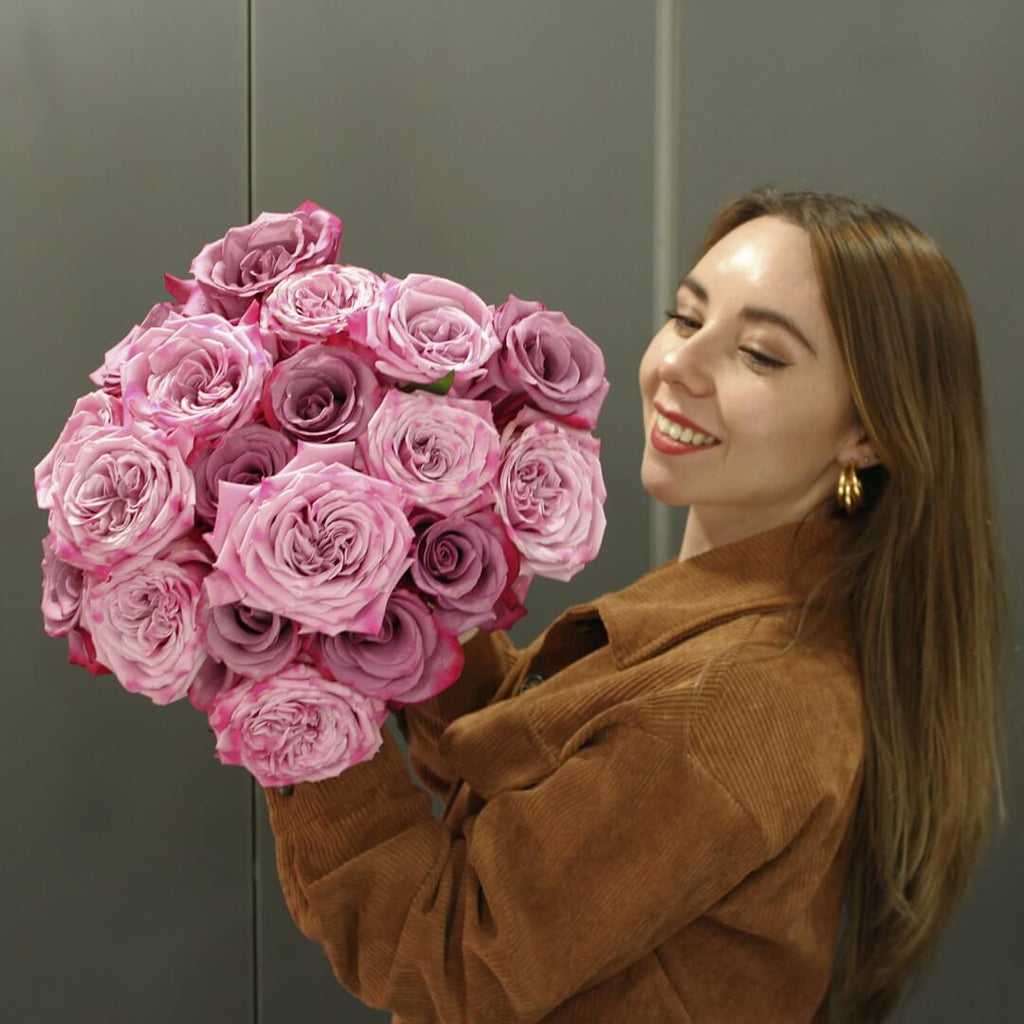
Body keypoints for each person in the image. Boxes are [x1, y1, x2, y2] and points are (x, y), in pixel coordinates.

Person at [262, 186, 1010, 1023]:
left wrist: (291, 700)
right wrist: (392, 555)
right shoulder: (741, 630)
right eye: (687, 318)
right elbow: (528, 780)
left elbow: (450, 958)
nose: (677, 365)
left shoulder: (732, 704)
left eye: (759, 354)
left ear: (865, 433)